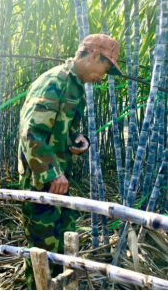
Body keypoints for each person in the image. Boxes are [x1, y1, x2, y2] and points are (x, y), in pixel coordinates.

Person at [18, 34, 122, 289]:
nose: (103, 75)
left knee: (64, 241)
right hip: (41, 181)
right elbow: (31, 133)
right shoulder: (56, 82)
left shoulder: (74, 84)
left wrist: (77, 139)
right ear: (94, 56)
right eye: (105, 68)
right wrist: (53, 173)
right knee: (43, 250)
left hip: (57, 181)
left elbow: (57, 128)